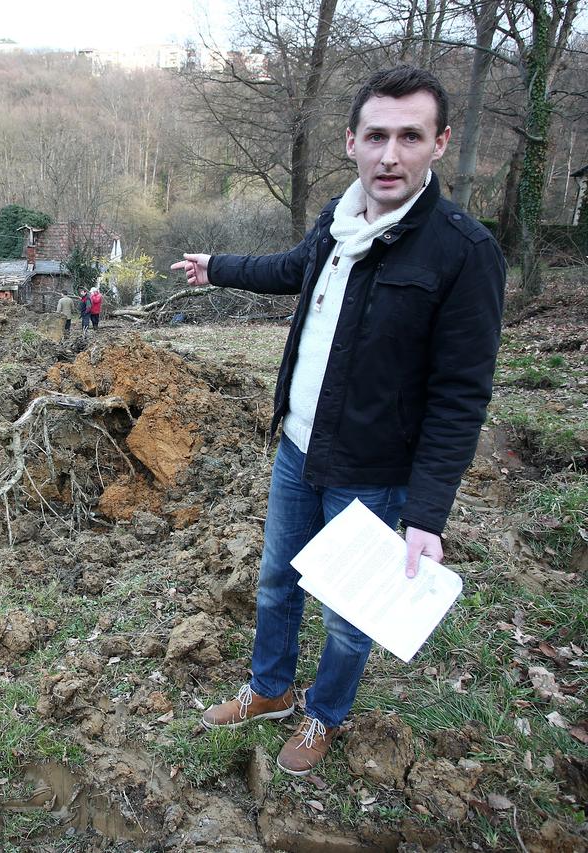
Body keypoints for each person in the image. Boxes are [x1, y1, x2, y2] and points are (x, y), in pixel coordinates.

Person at [169, 65, 505, 775]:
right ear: (351, 141)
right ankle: (270, 690)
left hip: (375, 474)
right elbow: (295, 267)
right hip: (298, 447)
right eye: (376, 135)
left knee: (348, 616)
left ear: (439, 143)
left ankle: (324, 714)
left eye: (409, 136)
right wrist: (218, 267)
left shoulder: (463, 253)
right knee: (275, 582)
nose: (390, 155)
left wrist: (427, 513)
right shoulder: (338, 216)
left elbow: (460, 394)